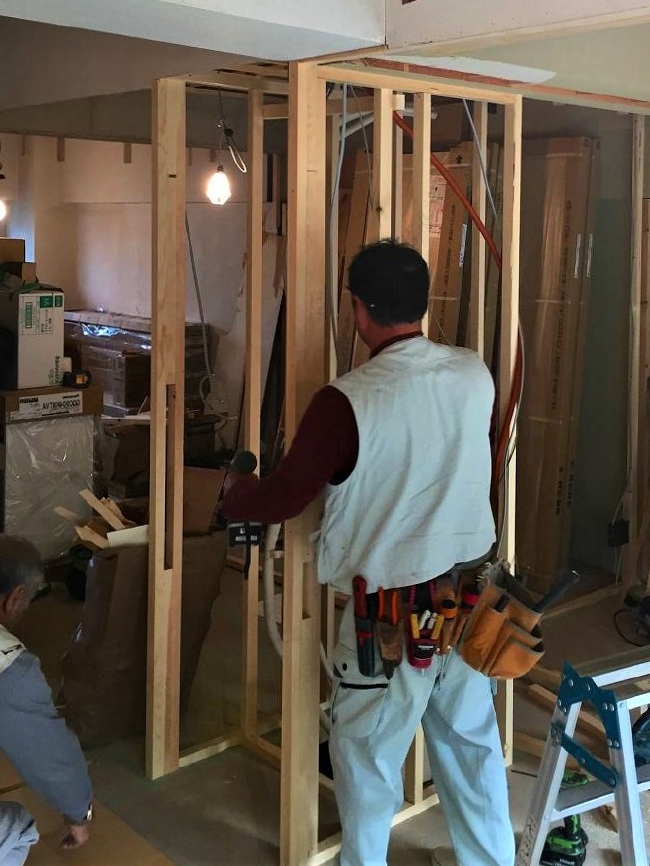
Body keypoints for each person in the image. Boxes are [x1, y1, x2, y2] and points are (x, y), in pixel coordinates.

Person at [222, 239, 515, 866]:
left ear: (359, 309)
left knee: (368, 761)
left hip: (390, 616)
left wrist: (236, 493)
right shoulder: (473, 373)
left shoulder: (345, 402)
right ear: (424, 302)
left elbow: (283, 498)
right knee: (472, 747)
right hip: (468, 598)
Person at [0, 535, 93, 865]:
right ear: (15, 598)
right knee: (19, 825)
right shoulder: (1, 661)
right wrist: (79, 812)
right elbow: (50, 755)